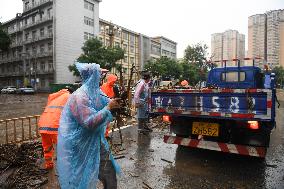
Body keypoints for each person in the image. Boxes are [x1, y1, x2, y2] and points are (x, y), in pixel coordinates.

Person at [57, 63, 121, 189]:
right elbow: (88, 123)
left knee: (109, 171)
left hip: (95, 140)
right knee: (81, 176)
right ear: (93, 77)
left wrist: (116, 102)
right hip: (80, 143)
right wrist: (108, 108)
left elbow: (107, 101)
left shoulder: (96, 92)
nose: (101, 78)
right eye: (99, 75)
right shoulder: (80, 96)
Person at [38, 87, 71, 169]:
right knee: (63, 148)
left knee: (47, 146)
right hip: (55, 125)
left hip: (43, 124)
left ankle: (49, 164)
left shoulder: (54, 97)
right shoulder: (69, 96)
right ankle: (65, 170)